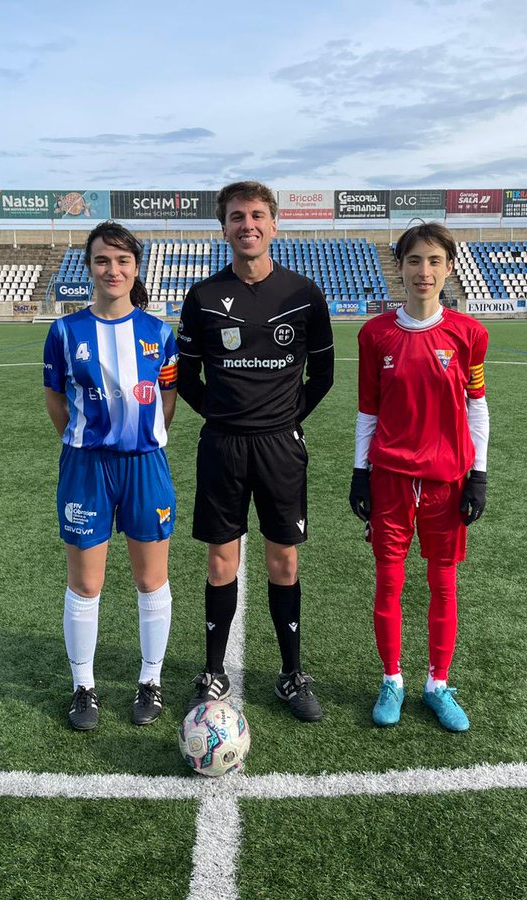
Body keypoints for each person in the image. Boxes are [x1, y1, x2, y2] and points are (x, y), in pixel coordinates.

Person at [177, 180, 335, 722]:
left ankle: (291, 674)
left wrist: (285, 420)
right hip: (222, 445)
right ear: (223, 228)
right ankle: (213, 670)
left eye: (257, 215)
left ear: (274, 224)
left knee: (283, 558)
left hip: (280, 448)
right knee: (221, 561)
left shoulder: (304, 294)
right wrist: (222, 415)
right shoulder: (201, 297)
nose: (248, 225)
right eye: (237, 217)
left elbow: (324, 376)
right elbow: (187, 377)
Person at [349, 222, 489, 732]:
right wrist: (360, 472)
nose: (423, 271)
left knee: (443, 582)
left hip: (446, 480)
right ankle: (392, 679)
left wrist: (479, 474)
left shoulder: (469, 334)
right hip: (388, 476)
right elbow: (368, 409)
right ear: (400, 267)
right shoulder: (375, 334)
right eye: (414, 261)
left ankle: (437, 684)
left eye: (433, 261)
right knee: (389, 581)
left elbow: (477, 408)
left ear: (448, 268)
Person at [43, 221, 179, 730]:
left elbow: (168, 397)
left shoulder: (159, 332)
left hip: (145, 464)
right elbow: (55, 399)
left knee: (151, 579)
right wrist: (84, 438)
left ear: (136, 268)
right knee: (86, 582)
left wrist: (146, 436)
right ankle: (84, 688)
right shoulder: (65, 331)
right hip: (85, 468)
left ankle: (151, 680)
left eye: (123, 260)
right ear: (90, 267)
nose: (113, 269)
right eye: (103, 260)